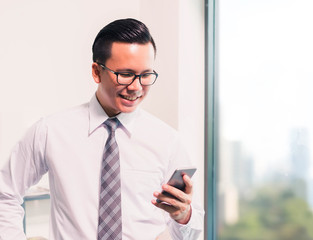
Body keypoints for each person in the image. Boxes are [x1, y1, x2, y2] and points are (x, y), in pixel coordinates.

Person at [0, 18, 204, 239]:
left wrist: (184, 216)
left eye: (145, 75)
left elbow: (188, 232)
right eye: (125, 74)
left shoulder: (168, 141)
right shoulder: (50, 131)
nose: (136, 87)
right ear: (97, 72)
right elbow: (5, 195)